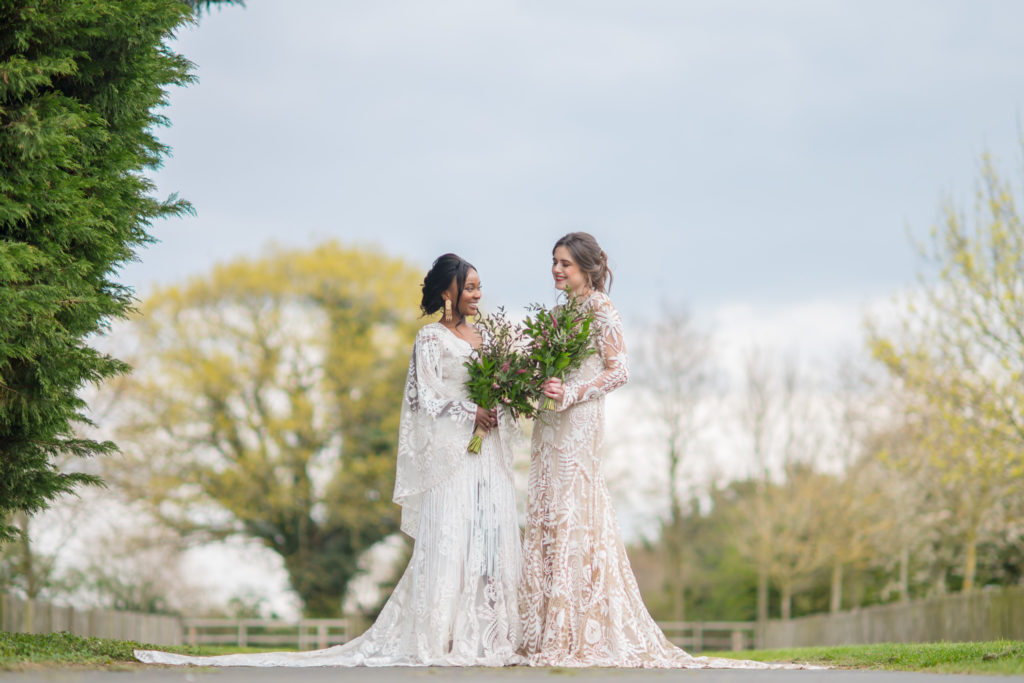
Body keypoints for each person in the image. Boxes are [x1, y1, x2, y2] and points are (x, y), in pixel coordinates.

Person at [136, 253, 523, 667]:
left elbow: (500, 384)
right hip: (453, 455)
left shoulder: (487, 337)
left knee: (486, 541)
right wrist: (469, 413)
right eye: (469, 287)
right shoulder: (430, 339)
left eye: (479, 286)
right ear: (448, 291)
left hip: (485, 455)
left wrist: (502, 405)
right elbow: (424, 398)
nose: (477, 294)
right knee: (450, 542)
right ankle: (441, 636)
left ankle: (486, 636)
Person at [518, 232, 781, 669]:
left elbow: (620, 370)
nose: (557, 270)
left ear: (587, 267)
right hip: (549, 421)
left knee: (573, 509)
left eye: (565, 263)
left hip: (579, 421)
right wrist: (540, 383)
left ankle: (579, 627)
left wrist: (574, 391)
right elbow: (547, 363)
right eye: (554, 262)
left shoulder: (603, 309)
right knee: (547, 508)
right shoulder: (558, 312)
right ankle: (548, 627)